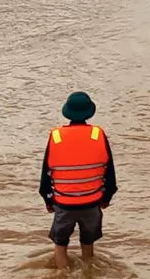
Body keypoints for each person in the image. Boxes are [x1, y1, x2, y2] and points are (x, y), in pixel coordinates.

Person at [40, 92, 118, 271]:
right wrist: (105, 199)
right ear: (89, 112)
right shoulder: (98, 135)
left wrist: (48, 201)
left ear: (67, 112)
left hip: (64, 203)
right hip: (91, 202)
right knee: (88, 243)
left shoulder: (56, 136)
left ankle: (62, 272)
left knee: (60, 243)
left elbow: (45, 178)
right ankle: (88, 271)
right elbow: (110, 176)